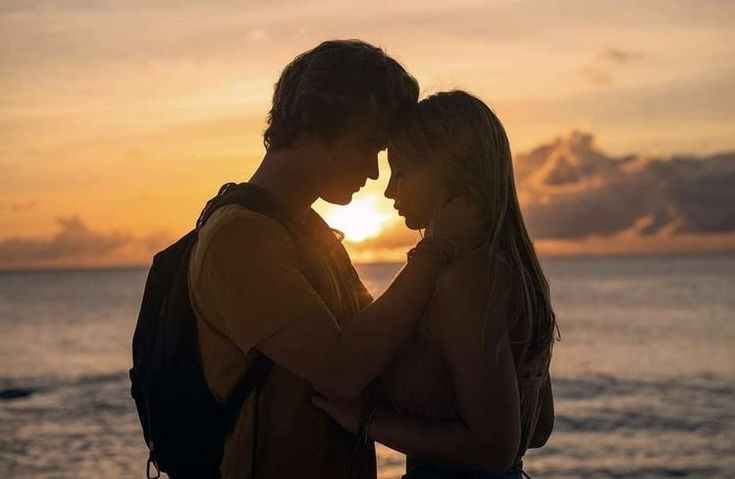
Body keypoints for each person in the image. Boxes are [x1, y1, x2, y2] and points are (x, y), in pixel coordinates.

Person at [188, 42, 484, 479]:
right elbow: (343, 371)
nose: (373, 172)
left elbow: (381, 355)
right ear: (314, 123)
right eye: (368, 146)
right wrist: (437, 252)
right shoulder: (241, 237)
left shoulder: (309, 234)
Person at [313, 91, 558, 478]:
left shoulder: (466, 281)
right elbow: (537, 427)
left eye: (402, 171)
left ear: (443, 172)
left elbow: (494, 446)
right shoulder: (514, 271)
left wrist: (367, 421)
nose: (390, 190)